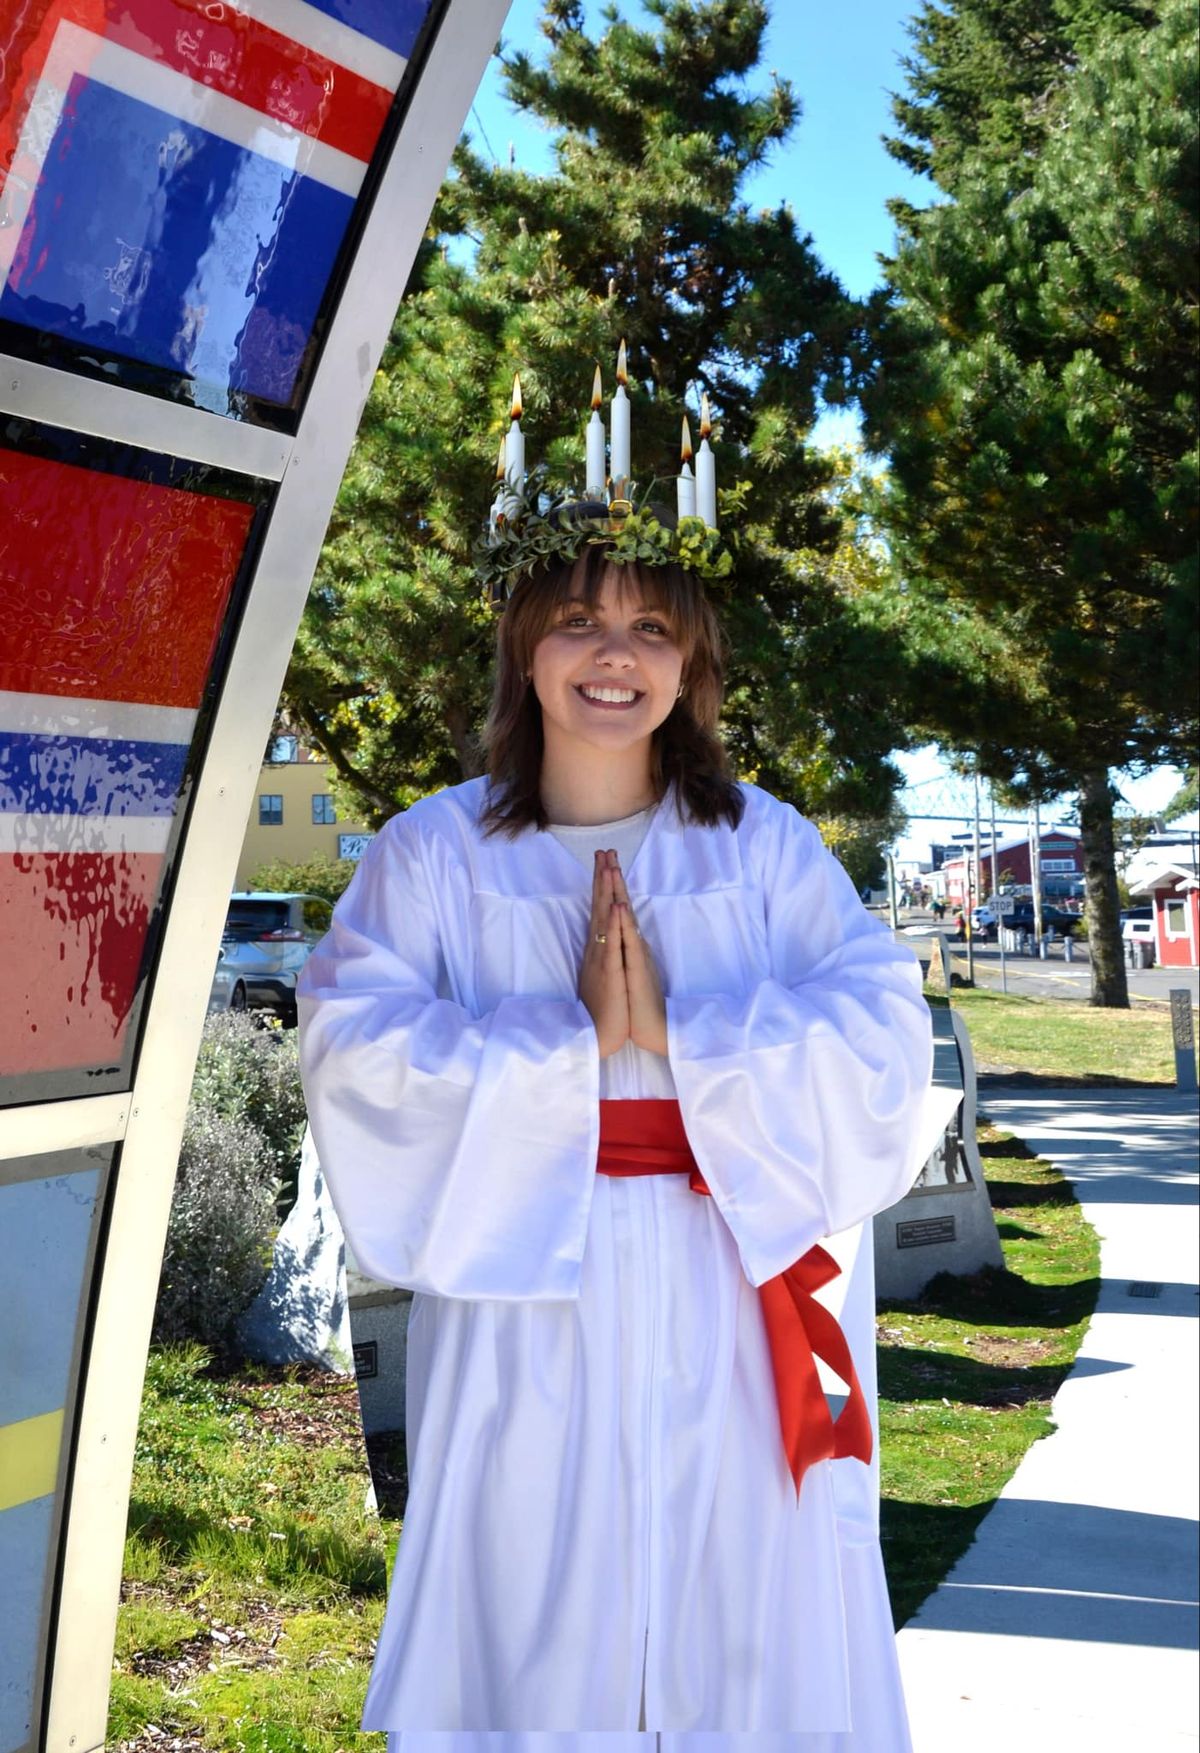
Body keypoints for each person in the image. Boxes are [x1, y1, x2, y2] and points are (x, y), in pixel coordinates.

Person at [298, 413, 953, 1749]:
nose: (614, 656)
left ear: (695, 660)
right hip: (533, 1303)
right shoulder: (436, 856)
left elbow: (886, 1030)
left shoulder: (759, 848)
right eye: (581, 618)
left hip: (730, 1290)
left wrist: (689, 1027)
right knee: (543, 1612)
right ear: (523, 640)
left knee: (737, 1614)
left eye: (654, 627)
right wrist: (571, 1048)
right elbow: (355, 1051)